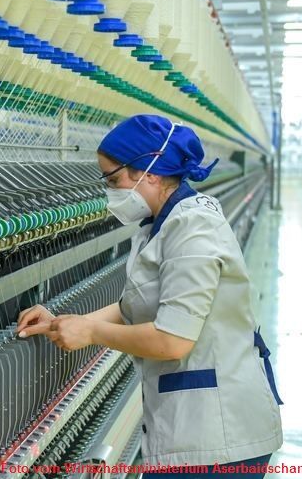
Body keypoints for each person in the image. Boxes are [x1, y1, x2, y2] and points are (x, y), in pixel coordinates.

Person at [16, 114, 283, 478]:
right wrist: (61, 322)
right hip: (194, 428)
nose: (111, 190)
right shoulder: (159, 224)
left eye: (114, 179)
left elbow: (173, 340)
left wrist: (92, 334)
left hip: (219, 437)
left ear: (150, 172)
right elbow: (133, 307)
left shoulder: (193, 230)